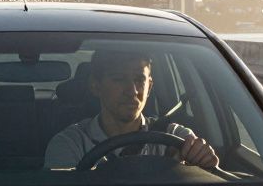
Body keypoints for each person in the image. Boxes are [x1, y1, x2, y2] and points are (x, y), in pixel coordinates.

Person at [43, 49, 221, 171]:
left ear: (149, 86)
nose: (132, 91)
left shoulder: (176, 138)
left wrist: (204, 164)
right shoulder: (70, 144)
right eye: (119, 79)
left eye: (139, 80)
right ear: (95, 86)